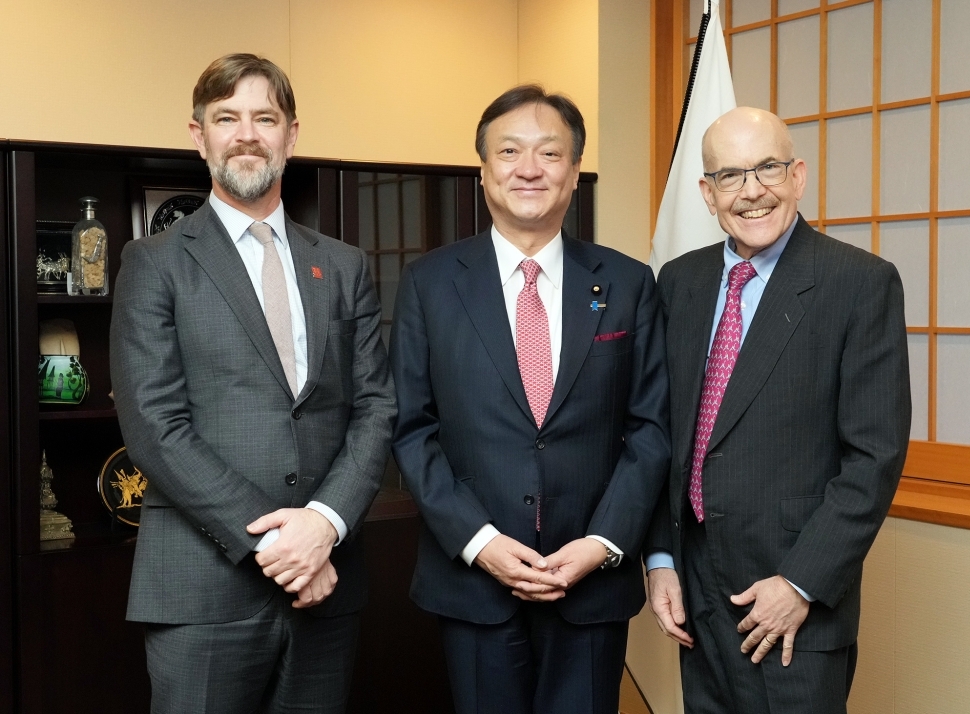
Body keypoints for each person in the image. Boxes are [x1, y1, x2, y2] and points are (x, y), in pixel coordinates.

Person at [109, 53, 395, 714]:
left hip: (326, 584)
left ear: (291, 134)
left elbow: (376, 405)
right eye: (226, 118)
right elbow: (155, 428)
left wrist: (323, 525)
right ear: (198, 133)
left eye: (265, 117)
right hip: (203, 586)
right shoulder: (154, 263)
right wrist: (282, 545)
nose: (247, 134)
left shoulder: (343, 265)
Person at [389, 85, 670, 714]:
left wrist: (603, 544)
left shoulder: (627, 283)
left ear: (573, 173)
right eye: (509, 152)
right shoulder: (430, 283)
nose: (529, 169)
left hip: (590, 581)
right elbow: (410, 428)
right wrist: (479, 540)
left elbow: (652, 428)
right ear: (483, 173)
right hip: (473, 578)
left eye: (550, 153)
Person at [645, 106, 910, 714]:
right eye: (732, 176)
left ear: (798, 176)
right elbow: (663, 436)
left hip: (794, 597)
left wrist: (801, 583)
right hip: (696, 588)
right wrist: (660, 559)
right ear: (708, 195)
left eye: (767, 168)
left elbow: (875, 456)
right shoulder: (679, 283)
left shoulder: (858, 283)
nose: (753, 191)